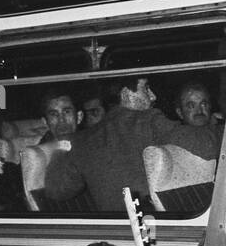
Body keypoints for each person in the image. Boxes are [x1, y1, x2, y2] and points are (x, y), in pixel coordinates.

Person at [44, 75, 183, 211]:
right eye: (54, 115)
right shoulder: (147, 122)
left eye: (67, 112)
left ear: (79, 117)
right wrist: (62, 145)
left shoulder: (89, 142)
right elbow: (56, 190)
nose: (61, 121)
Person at [163, 81, 224, 162]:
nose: (199, 111)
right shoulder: (177, 137)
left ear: (210, 107)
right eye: (191, 106)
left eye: (203, 104)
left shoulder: (222, 131)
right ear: (180, 113)